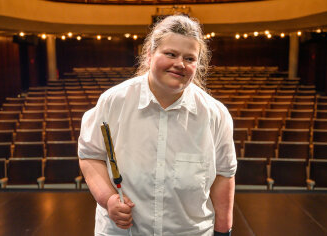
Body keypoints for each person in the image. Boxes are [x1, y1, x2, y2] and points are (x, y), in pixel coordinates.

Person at [78, 14, 237, 236]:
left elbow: (224, 175)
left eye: (190, 58)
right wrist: (108, 199)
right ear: (150, 54)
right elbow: (90, 156)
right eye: (170, 54)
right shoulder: (113, 101)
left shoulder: (216, 114)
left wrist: (223, 231)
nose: (180, 64)